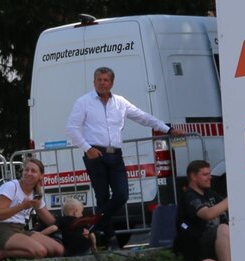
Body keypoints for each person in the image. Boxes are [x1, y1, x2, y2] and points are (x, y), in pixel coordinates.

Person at [66, 66, 182, 249]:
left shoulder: (119, 102)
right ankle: (111, 241)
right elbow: (72, 127)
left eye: (106, 80)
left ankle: (93, 226)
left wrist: (167, 129)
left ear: (112, 83)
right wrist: (87, 148)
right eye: (99, 79)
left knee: (121, 194)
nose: (102, 83)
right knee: (102, 197)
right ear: (94, 81)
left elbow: (143, 117)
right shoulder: (84, 102)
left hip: (115, 154)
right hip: (95, 153)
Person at [0, 158, 65, 261]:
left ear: (41, 176)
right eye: (26, 170)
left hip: (20, 230)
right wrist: (22, 206)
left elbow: (50, 220)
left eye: (33, 171)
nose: (28, 173)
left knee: (59, 250)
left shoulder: (36, 194)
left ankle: (8, 253)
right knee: (40, 251)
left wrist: (70, 222)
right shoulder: (11, 186)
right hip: (1, 230)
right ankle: (3, 253)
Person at [177, 160, 231, 261]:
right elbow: (207, 214)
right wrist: (231, 199)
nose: (210, 177)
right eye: (205, 174)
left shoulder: (208, 193)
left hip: (214, 239)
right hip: (196, 243)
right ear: (193, 176)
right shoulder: (189, 196)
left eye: (209, 174)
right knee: (224, 228)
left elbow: (227, 207)